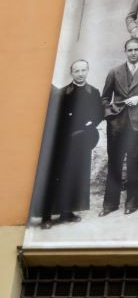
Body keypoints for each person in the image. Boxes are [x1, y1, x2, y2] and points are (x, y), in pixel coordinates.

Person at [35, 60, 104, 229]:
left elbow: (99, 113)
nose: (80, 74)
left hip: (81, 142)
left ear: (87, 71)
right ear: (71, 73)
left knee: (76, 176)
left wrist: (91, 124)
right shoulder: (62, 93)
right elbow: (54, 119)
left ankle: (68, 212)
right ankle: (46, 216)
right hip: (62, 141)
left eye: (83, 70)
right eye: (77, 71)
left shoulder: (93, 92)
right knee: (56, 176)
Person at [100, 38, 138, 216]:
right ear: (125, 51)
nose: (133, 53)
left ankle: (132, 202)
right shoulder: (115, 71)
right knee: (114, 163)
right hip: (117, 125)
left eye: (136, 50)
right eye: (130, 50)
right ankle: (110, 204)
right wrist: (110, 114)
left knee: (135, 163)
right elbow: (104, 98)